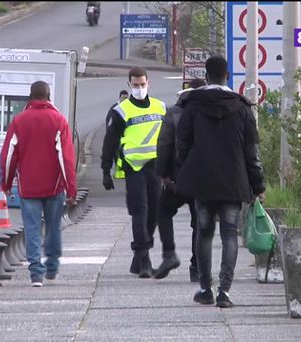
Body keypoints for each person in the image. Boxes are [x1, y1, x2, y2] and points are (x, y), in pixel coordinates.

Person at [176, 56, 266, 308]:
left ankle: (205, 288)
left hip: (203, 181)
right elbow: (252, 154)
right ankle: (224, 291)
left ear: (206, 76)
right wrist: (258, 186)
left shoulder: (192, 106)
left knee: (203, 233)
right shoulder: (241, 108)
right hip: (233, 182)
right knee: (229, 235)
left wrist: (189, 166)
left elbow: (181, 144)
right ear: (227, 75)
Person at [0, 81, 77, 288]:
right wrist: (71, 188)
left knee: (31, 229)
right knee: (53, 227)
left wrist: (5, 184)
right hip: (55, 186)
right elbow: (66, 158)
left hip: (29, 187)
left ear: (30, 97)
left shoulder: (19, 121)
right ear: (49, 96)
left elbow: (8, 157)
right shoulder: (59, 121)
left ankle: (36, 273)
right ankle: (52, 266)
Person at [101, 66, 166, 278]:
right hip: (133, 168)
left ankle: (138, 258)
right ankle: (144, 261)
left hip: (156, 168)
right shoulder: (121, 111)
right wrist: (105, 169)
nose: (139, 88)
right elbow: (109, 141)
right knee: (140, 213)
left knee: (154, 214)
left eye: (142, 84)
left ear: (149, 83)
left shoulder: (160, 107)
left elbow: (169, 138)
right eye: (135, 85)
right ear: (129, 85)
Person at [152, 78, 206, 281]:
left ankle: (169, 254)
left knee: (163, 211)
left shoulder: (175, 112)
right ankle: (197, 267)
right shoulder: (209, 112)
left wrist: (163, 174)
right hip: (203, 179)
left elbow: (164, 144)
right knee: (199, 222)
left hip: (178, 178)